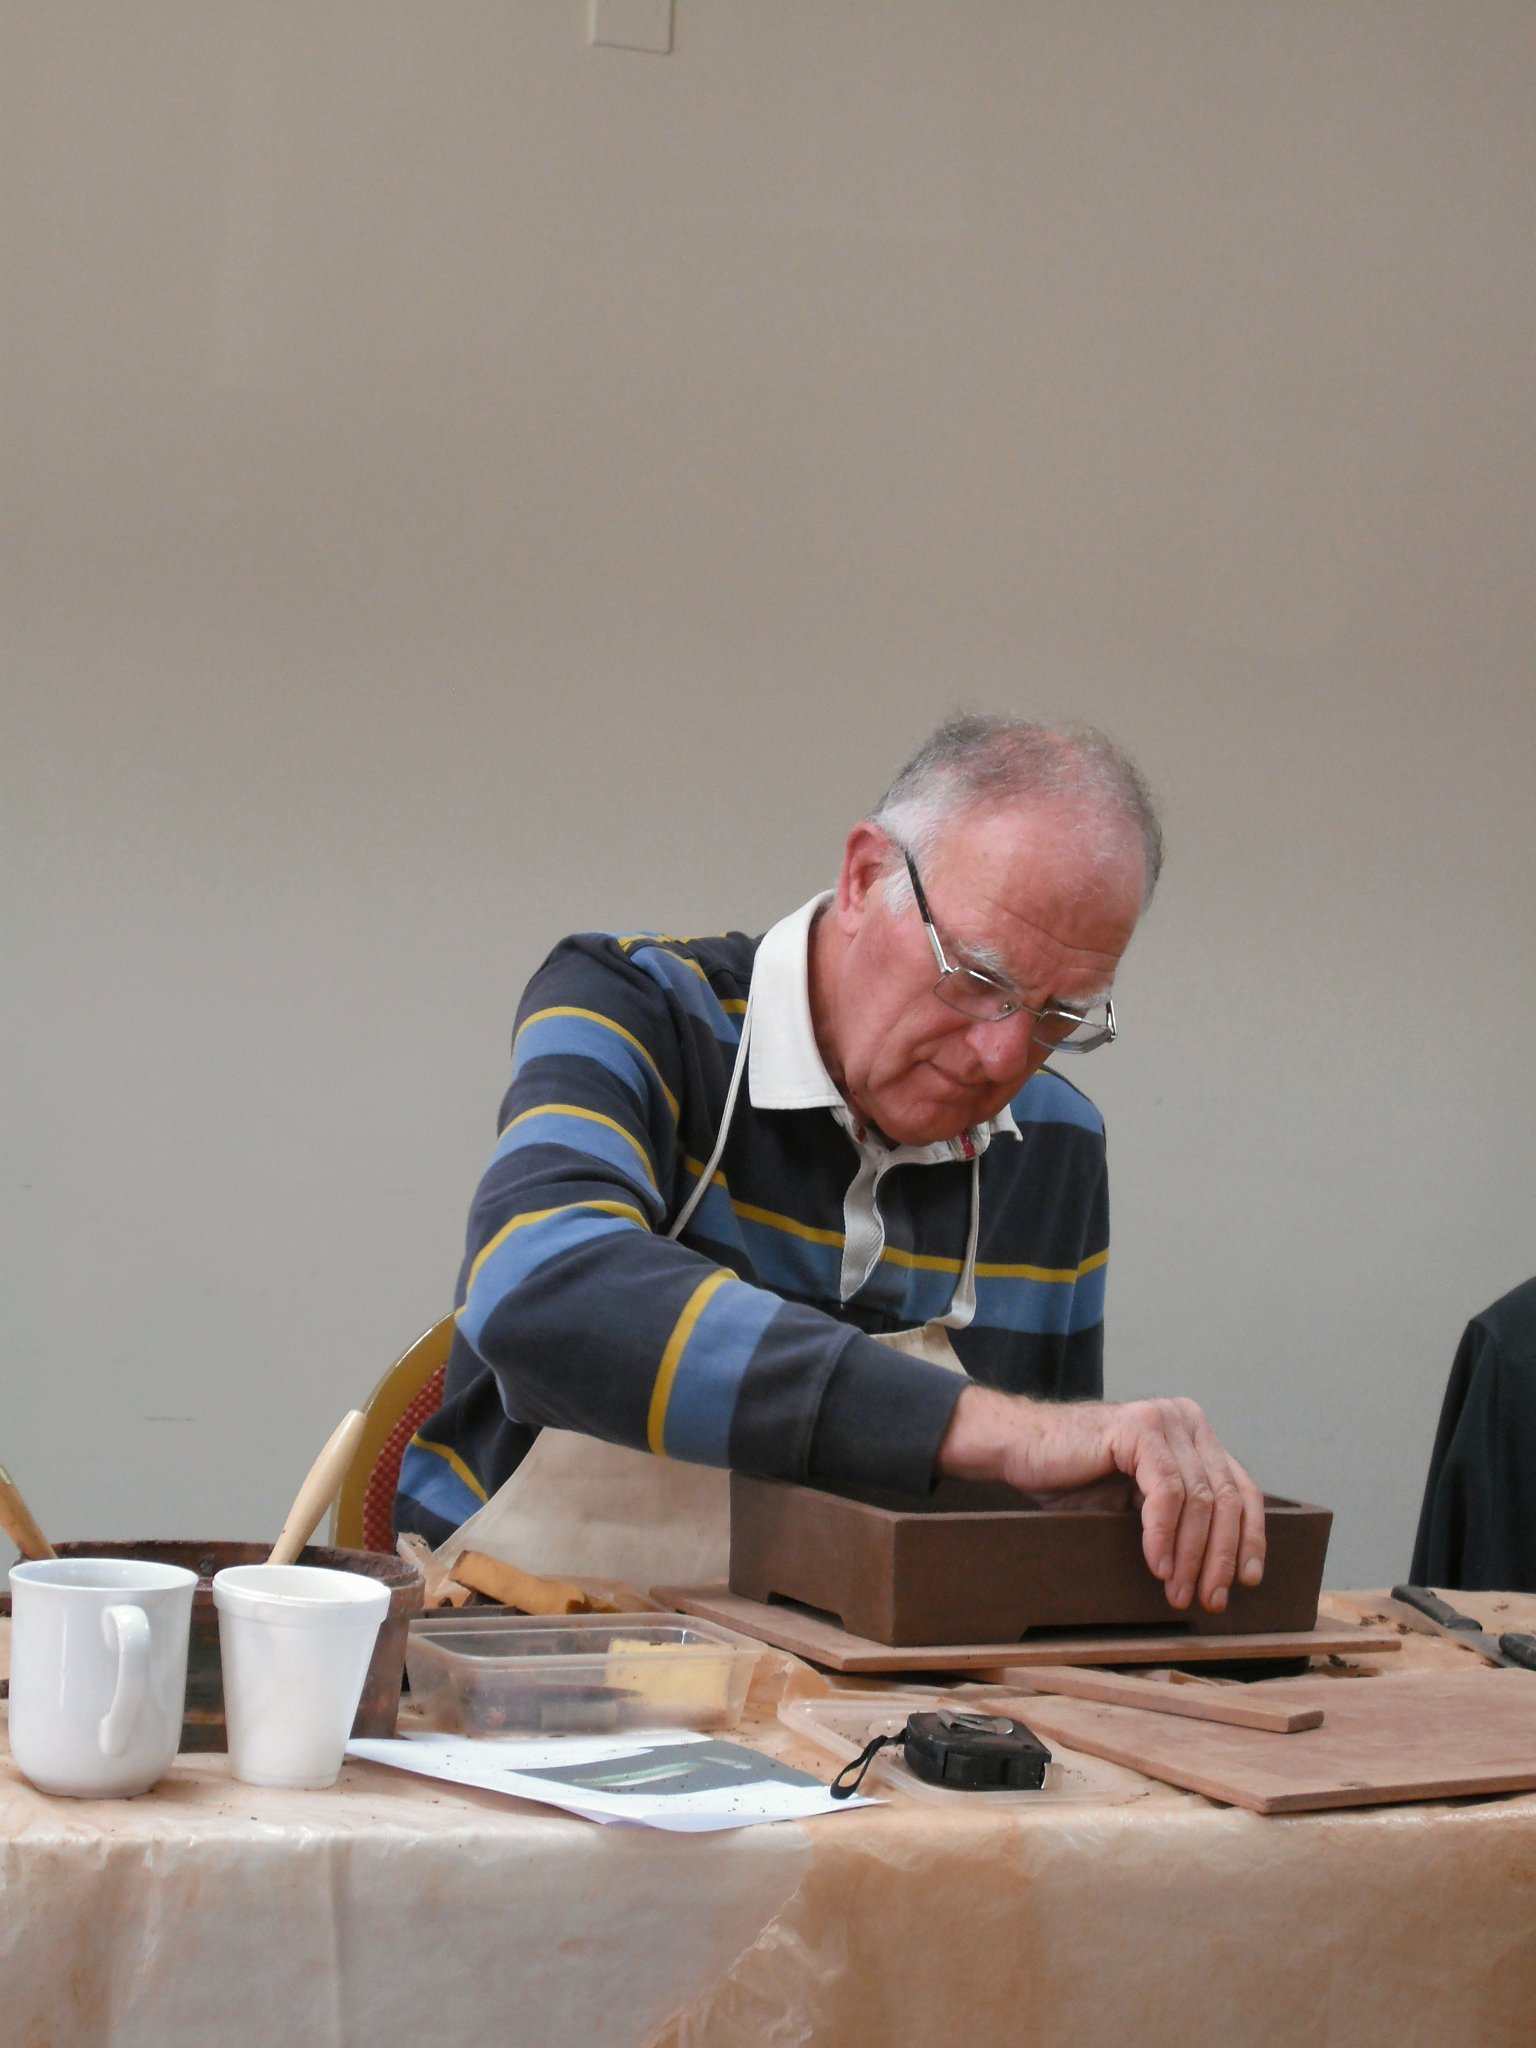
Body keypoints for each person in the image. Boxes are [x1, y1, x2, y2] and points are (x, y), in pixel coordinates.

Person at [395, 714, 1266, 1614]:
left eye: (1061, 1015)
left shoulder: (1054, 1140)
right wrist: (985, 1427)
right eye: (978, 979)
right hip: (514, 1650)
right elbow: (541, 1291)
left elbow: (1034, 1513)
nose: (1005, 1056)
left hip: (852, 1685)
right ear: (863, 877)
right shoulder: (636, 1008)